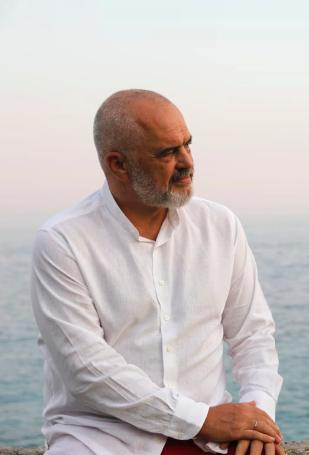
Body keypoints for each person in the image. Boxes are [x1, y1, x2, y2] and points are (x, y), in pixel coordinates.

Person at [31, 89, 284, 455]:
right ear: (118, 164)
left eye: (187, 145)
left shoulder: (220, 225)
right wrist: (201, 419)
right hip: (101, 439)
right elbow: (86, 369)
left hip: (212, 441)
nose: (187, 162)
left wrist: (257, 417)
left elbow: (253, 335)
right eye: (167, 153)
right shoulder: (63, 241)